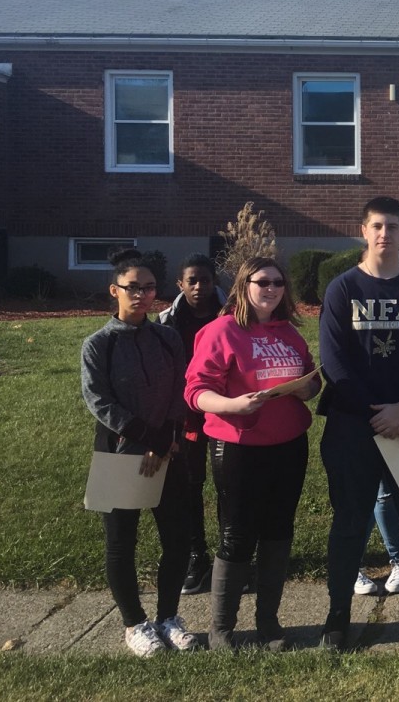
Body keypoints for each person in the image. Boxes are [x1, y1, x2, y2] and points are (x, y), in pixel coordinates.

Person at [317, 196, 399, 648]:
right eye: (377, 225)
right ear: (364, 230)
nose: (385, 234)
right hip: (354, 425)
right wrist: (378, 412)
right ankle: (337, 617)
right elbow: (334, 364)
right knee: (350, 522)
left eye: (393, 226)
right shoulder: (342, 290)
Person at [184, 256, 321, 651]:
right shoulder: (222, 331)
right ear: (245, 285)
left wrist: (304, 389)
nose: (272, 289)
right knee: (237, 535)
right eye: (263, 282)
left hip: (289, 445)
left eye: (279, 283)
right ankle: (222, 628)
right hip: (239, 446)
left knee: (279, 531)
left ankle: (268, 622)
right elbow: (196, 391)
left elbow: (312, 384)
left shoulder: (289, 334)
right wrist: (232, 405)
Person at [80, 248, 198, 657]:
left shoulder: (166, 338)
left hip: (168, 452)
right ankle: (134, 623)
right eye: (134, 288)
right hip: (121, 455)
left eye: (150, 288)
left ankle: (168, 617)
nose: (143, 295)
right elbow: (100, 401)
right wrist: (149, 439)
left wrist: (165, 441)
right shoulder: (98, 345)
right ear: (115, 290)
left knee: (177, 538)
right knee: (121, 543)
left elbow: (180, 390)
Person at [157, 253, 226, 596]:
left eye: (206, 280)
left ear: (216, 283)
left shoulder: (232, 316)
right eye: (192, 281)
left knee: (230, 487)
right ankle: (197, 557)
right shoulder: (165, 322)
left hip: (227, 414)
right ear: (180, 285)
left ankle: (233, 557)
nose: (199, 287)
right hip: (187, 418)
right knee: (190, 487)